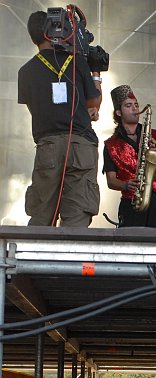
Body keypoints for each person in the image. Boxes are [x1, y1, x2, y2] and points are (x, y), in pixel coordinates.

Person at [18, 11, 103, 227]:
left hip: (48, 146)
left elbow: (33, 109)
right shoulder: (76, 63)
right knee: (77, 219)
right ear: (52, 31)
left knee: (41, 215)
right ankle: (73, 261)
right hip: (81, 144)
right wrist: (96, 74)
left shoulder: (25, 71)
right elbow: (94, 103)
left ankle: (37, 261)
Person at [103, 85, 156, 228]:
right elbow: (111, 181)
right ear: (118, 112)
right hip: (132, 202)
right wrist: (125, 185)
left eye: (136, 105)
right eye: (128, 105)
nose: (135, 109)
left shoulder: (154, 134)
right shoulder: (111, 144)